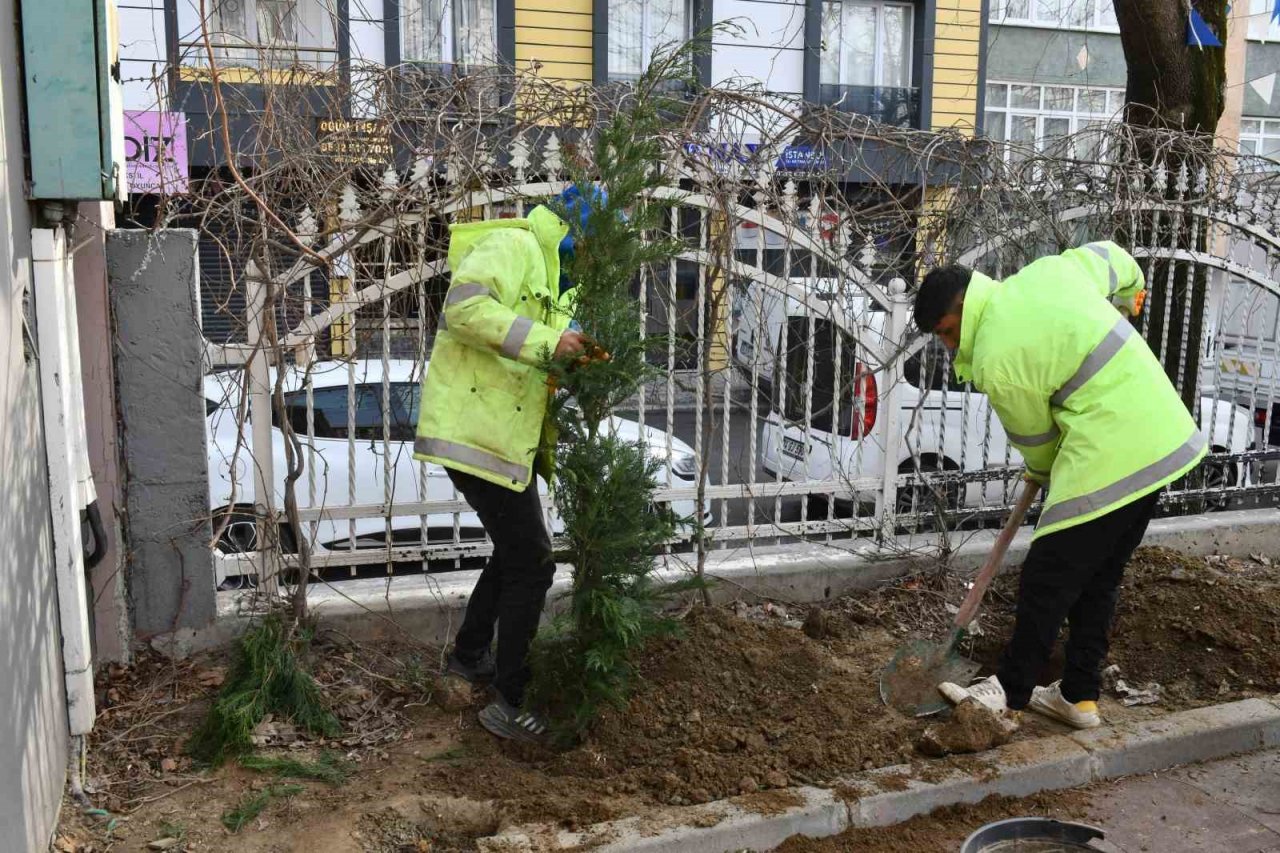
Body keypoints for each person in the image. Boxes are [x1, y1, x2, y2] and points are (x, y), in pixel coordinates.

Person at [912, 242, 1206, 729]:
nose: (949, 347)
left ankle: (1007, 693)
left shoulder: (994, 357)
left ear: (963, 306)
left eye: (947, 333)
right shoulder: (1049, 271)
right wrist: (1129, 299)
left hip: (1110, 450)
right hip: (1167, 440)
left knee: (1048, 575)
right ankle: (1078, 696)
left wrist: (1042, 468)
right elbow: (1116, 259)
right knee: (1098, 576)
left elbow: (1040, 444)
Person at [413, 185, 605, 743]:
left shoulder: (560, 278)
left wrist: (574, 369)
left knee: (516, 551)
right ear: (576, 231)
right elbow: (464, 310)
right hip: (472, 432)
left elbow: (536, 362)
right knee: (533, 561)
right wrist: (551, 342)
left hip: (500, 437)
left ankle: (469, 656)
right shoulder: (513, 244)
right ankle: (509, 698)